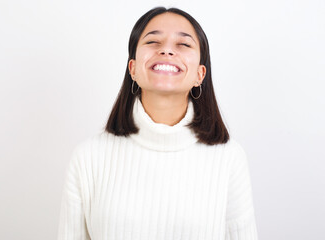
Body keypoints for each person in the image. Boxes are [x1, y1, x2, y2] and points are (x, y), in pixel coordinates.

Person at [57, 6, 259, 240]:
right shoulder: (88, 157)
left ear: (199, 75)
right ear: (132, 68)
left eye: (183, 44)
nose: (166, 51)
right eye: (153, 41)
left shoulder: (229, 158)